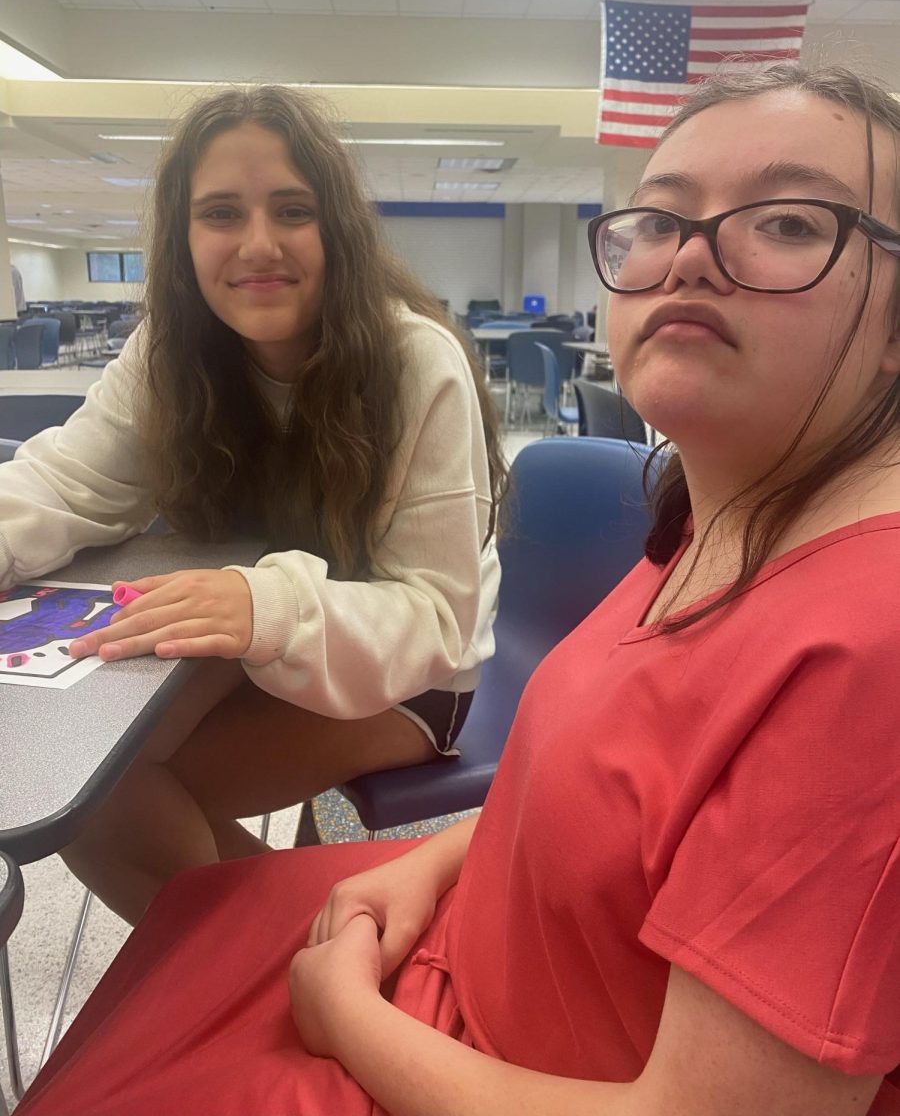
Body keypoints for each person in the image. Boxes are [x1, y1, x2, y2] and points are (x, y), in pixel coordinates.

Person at [16, 62, 900, 1116]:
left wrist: (342, 1008)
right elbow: (60, 483)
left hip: (410, 698)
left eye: (791, 223)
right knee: (107, 791)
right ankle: (210, 942)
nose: (694, 256)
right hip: (452, 938)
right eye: (660, 220)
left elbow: (437, 625)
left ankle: (209, 953)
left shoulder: (857, 640)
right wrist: (430, 868)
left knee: (128, 833)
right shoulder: (715, 525)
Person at [0, 85, 506, 925]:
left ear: (336, 228)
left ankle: (284, 978)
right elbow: (63, 482)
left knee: (106, 795)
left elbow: (435, 620)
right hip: (246, 639)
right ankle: (293, 963)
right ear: (184, 235)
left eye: (292, 210)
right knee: (79, 775)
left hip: (410, 676)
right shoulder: (168, 354)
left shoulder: (417, 362)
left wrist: (261, 600)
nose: (258, 244)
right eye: (222, 213)